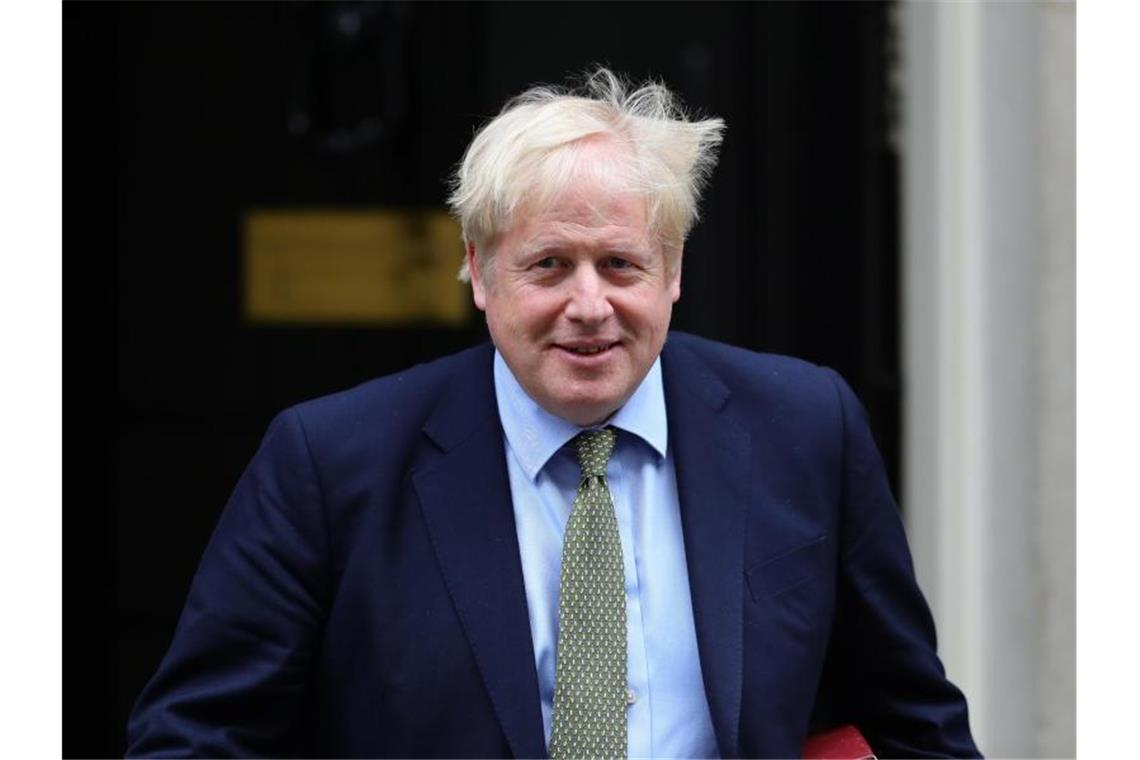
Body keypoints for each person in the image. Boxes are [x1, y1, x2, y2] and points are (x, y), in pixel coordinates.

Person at [127, 68, 979, 759]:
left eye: (619, 263)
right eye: (547, 265)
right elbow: (196, 738)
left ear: (673, 270)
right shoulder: (331, 461)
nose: (589, 304)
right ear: (479, 271)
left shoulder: (804, 427)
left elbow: (916, 726)